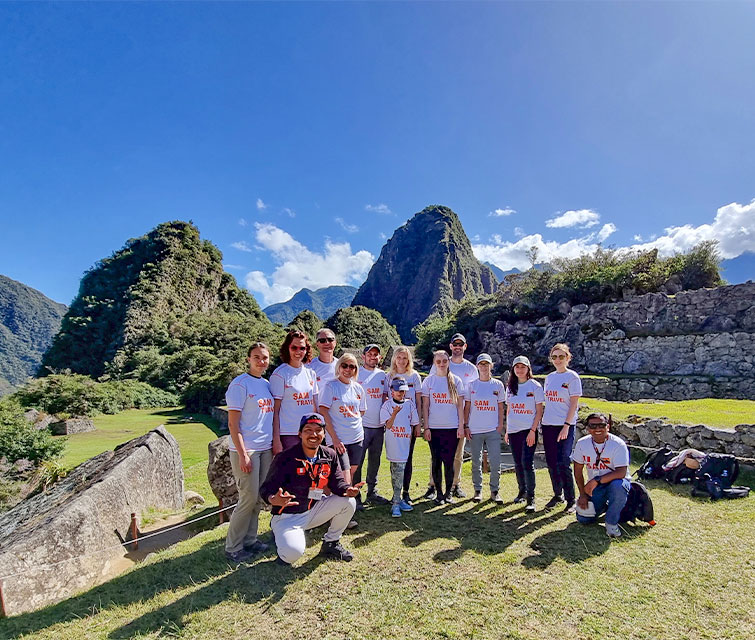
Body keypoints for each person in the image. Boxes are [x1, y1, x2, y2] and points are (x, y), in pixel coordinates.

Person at [260, 413, 363, 565]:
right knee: (292, 554)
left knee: (349, 502)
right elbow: (266, 488)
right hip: (288, 517)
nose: (313, 434)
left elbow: (337, 483)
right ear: (299, 434)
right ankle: (283, 538)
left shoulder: (329, 454)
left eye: (318, 430)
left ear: (324, 433)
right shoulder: (285, 458)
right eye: (308, 430)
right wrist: (273, 499)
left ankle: (331, 543)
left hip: (314, 509)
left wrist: (348, 490)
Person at [223, 342, 275, 563]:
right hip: (247, 450)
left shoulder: (266, 384)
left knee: (257, 499)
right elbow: (233, 425)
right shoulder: (239, 385)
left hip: (265, 448)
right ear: (248, 359)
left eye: (264, 357)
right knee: (247, 498)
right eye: (256, 357)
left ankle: (251, 540)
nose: (261, 361)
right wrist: (243, 454)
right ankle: (233, 546)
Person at [426, 333, 478, 499]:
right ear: (450, 346)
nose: (457, 347)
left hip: (458, 420)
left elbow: (471, 395)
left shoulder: (470, 368)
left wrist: (465, 423)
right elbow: (428, 398)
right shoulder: (437, 369)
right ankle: (433, 485)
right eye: (454, 344)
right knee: (436, 457)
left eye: (460, 344)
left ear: (465, 346)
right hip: (438, 421)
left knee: (457, 455)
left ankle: (454, 485)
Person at [572, 412, 631, 538]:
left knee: (618, 486)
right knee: (583, 519)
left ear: (608, 427)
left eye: (601, 425)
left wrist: (596, 480)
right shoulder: (582, 444)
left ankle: (611, 523)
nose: (597, 429)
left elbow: (621, 472)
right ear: (587, 429)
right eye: (593, 426)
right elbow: (577, 471)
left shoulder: (618, 444)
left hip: (616, 482)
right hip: (596, 488)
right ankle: (606, 507)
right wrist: (583, 495)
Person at [541, 343, 582, 512]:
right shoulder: (549, 378)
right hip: (549, 424)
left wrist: (566, 425)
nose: (558, 360)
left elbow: (574, 404)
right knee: (551, 461)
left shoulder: (573, 377)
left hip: (565, 425)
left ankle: (571, 499)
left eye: (561, 356)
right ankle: (558, 494)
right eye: (555, 357)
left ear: (568, 358)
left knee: (564, 461)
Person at [421, 350, 465, 505]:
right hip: (434, 427)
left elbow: (460, 406)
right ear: (434, 363)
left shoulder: (456, 381)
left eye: (444, 361)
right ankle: (438, 493)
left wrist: (461, 426)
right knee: (436, 460)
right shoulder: (428, 381)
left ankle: (448, 493)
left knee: (449, 461)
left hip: (451, 427)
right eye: (438, 361)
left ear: (448, 362)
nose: (441, 364)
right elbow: (425, 406)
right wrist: (426, 427)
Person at [504, 355, 544, 512]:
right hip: (514, 430)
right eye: (517, 367)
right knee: (518, 463)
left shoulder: (534, 386)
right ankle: (522, 491)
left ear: (528, 368)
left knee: (527, 463)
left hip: (528, 430)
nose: (520, 370)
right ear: (513, 369)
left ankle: (531, 497)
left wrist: (533, 431)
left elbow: (539, 411)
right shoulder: (511, 387)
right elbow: (510, 410)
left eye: (523, 367)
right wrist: (507, 430)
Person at [464, 354, 505, 504]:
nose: (484, 367)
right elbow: (467, 407)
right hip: (475, 429)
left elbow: (501, 407)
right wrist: (466, 425)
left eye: (486, 364)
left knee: (495, 462)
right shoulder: (472, 385)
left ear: (491, 366)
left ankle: (495, 491)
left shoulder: (498, 385)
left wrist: (500, 425)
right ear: (477, 366)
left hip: (492, 429)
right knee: (476, 461)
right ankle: (478, 490)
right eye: (481, 364)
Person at [271, 330, 319, 455]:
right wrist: (276, 440)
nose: (298, 351)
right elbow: (274, 411)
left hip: (308, 432)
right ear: (288, 348)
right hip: (289, 434)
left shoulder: (310, 373)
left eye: (302, 348)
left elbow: (315, 405)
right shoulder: (280, 374)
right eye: (294, 347)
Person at [353, 344, 389, 506]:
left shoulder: (383, 375)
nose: (373, 357)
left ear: (379, 357)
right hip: (361, 426)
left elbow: (386, 397)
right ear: (363, 356)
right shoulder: (356, 373)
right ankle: (356, 495)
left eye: (376, 355)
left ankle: (372, 492)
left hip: (378, 426)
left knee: (375, 460)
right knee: (358, 462)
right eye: (370, 354)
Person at [386, 346, 423, 504]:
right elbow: (386, 401)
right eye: (399, 357)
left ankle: (406, 492)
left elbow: (419, 401)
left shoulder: (414, 376)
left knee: (408, 458)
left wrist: (418, 423)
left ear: (409, 360)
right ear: (394, 359)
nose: (401, 360)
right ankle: (395, 492)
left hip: (409, 423)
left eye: (405, 358)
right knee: (394, 459)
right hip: (394, 425)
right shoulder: (390, 376)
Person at [380, 377, 420, 517]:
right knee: (397, 472)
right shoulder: (387, 406)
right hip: (393, 444)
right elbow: (388, 425)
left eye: (403, 391)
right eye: (398, 391)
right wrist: (395, 413)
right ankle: (396, 503)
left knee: (402, 472)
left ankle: (398, 499)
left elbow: (414, 422)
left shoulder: (409, 404)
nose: (400, 393)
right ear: (391, 391)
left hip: (405, 444)